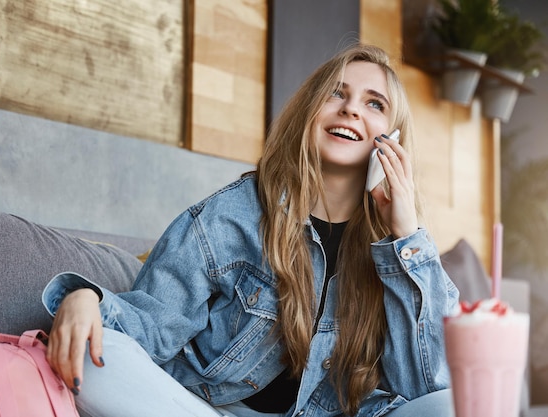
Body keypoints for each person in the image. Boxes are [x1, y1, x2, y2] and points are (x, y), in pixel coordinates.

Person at [42, 43, 459, 417]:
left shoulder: (403, 248)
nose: (350, 108)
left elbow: (426, 387)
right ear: (310, 110)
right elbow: (151, 328)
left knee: (457, 406)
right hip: (215, 411)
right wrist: (87, 301)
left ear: (393, 138)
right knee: (97, 358)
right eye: (337, 92)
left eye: (374, 104)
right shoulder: (232, 215)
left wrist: (405, 237)